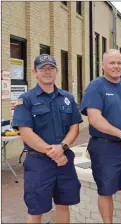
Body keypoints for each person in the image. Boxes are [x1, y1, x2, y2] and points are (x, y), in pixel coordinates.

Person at [12, 54, 83, 223]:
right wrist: (54, 153)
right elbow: (26, 133)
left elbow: (75, 128)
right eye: (42, 68)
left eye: (51, 68)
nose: (47, 71)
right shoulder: (26, 100)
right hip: (39, 162)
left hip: (64, 160)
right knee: (36, 209)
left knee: (63, 204)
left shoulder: (67, 98)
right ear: (34, 71)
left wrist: (62, 147)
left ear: (57, 71)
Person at [80, 49, 121, 223]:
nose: (116, 66)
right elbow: (94, 119)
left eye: (119, 63)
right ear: (103, 65)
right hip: (105, 147)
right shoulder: (95, 87)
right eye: (112, 63)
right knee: (106, 190)